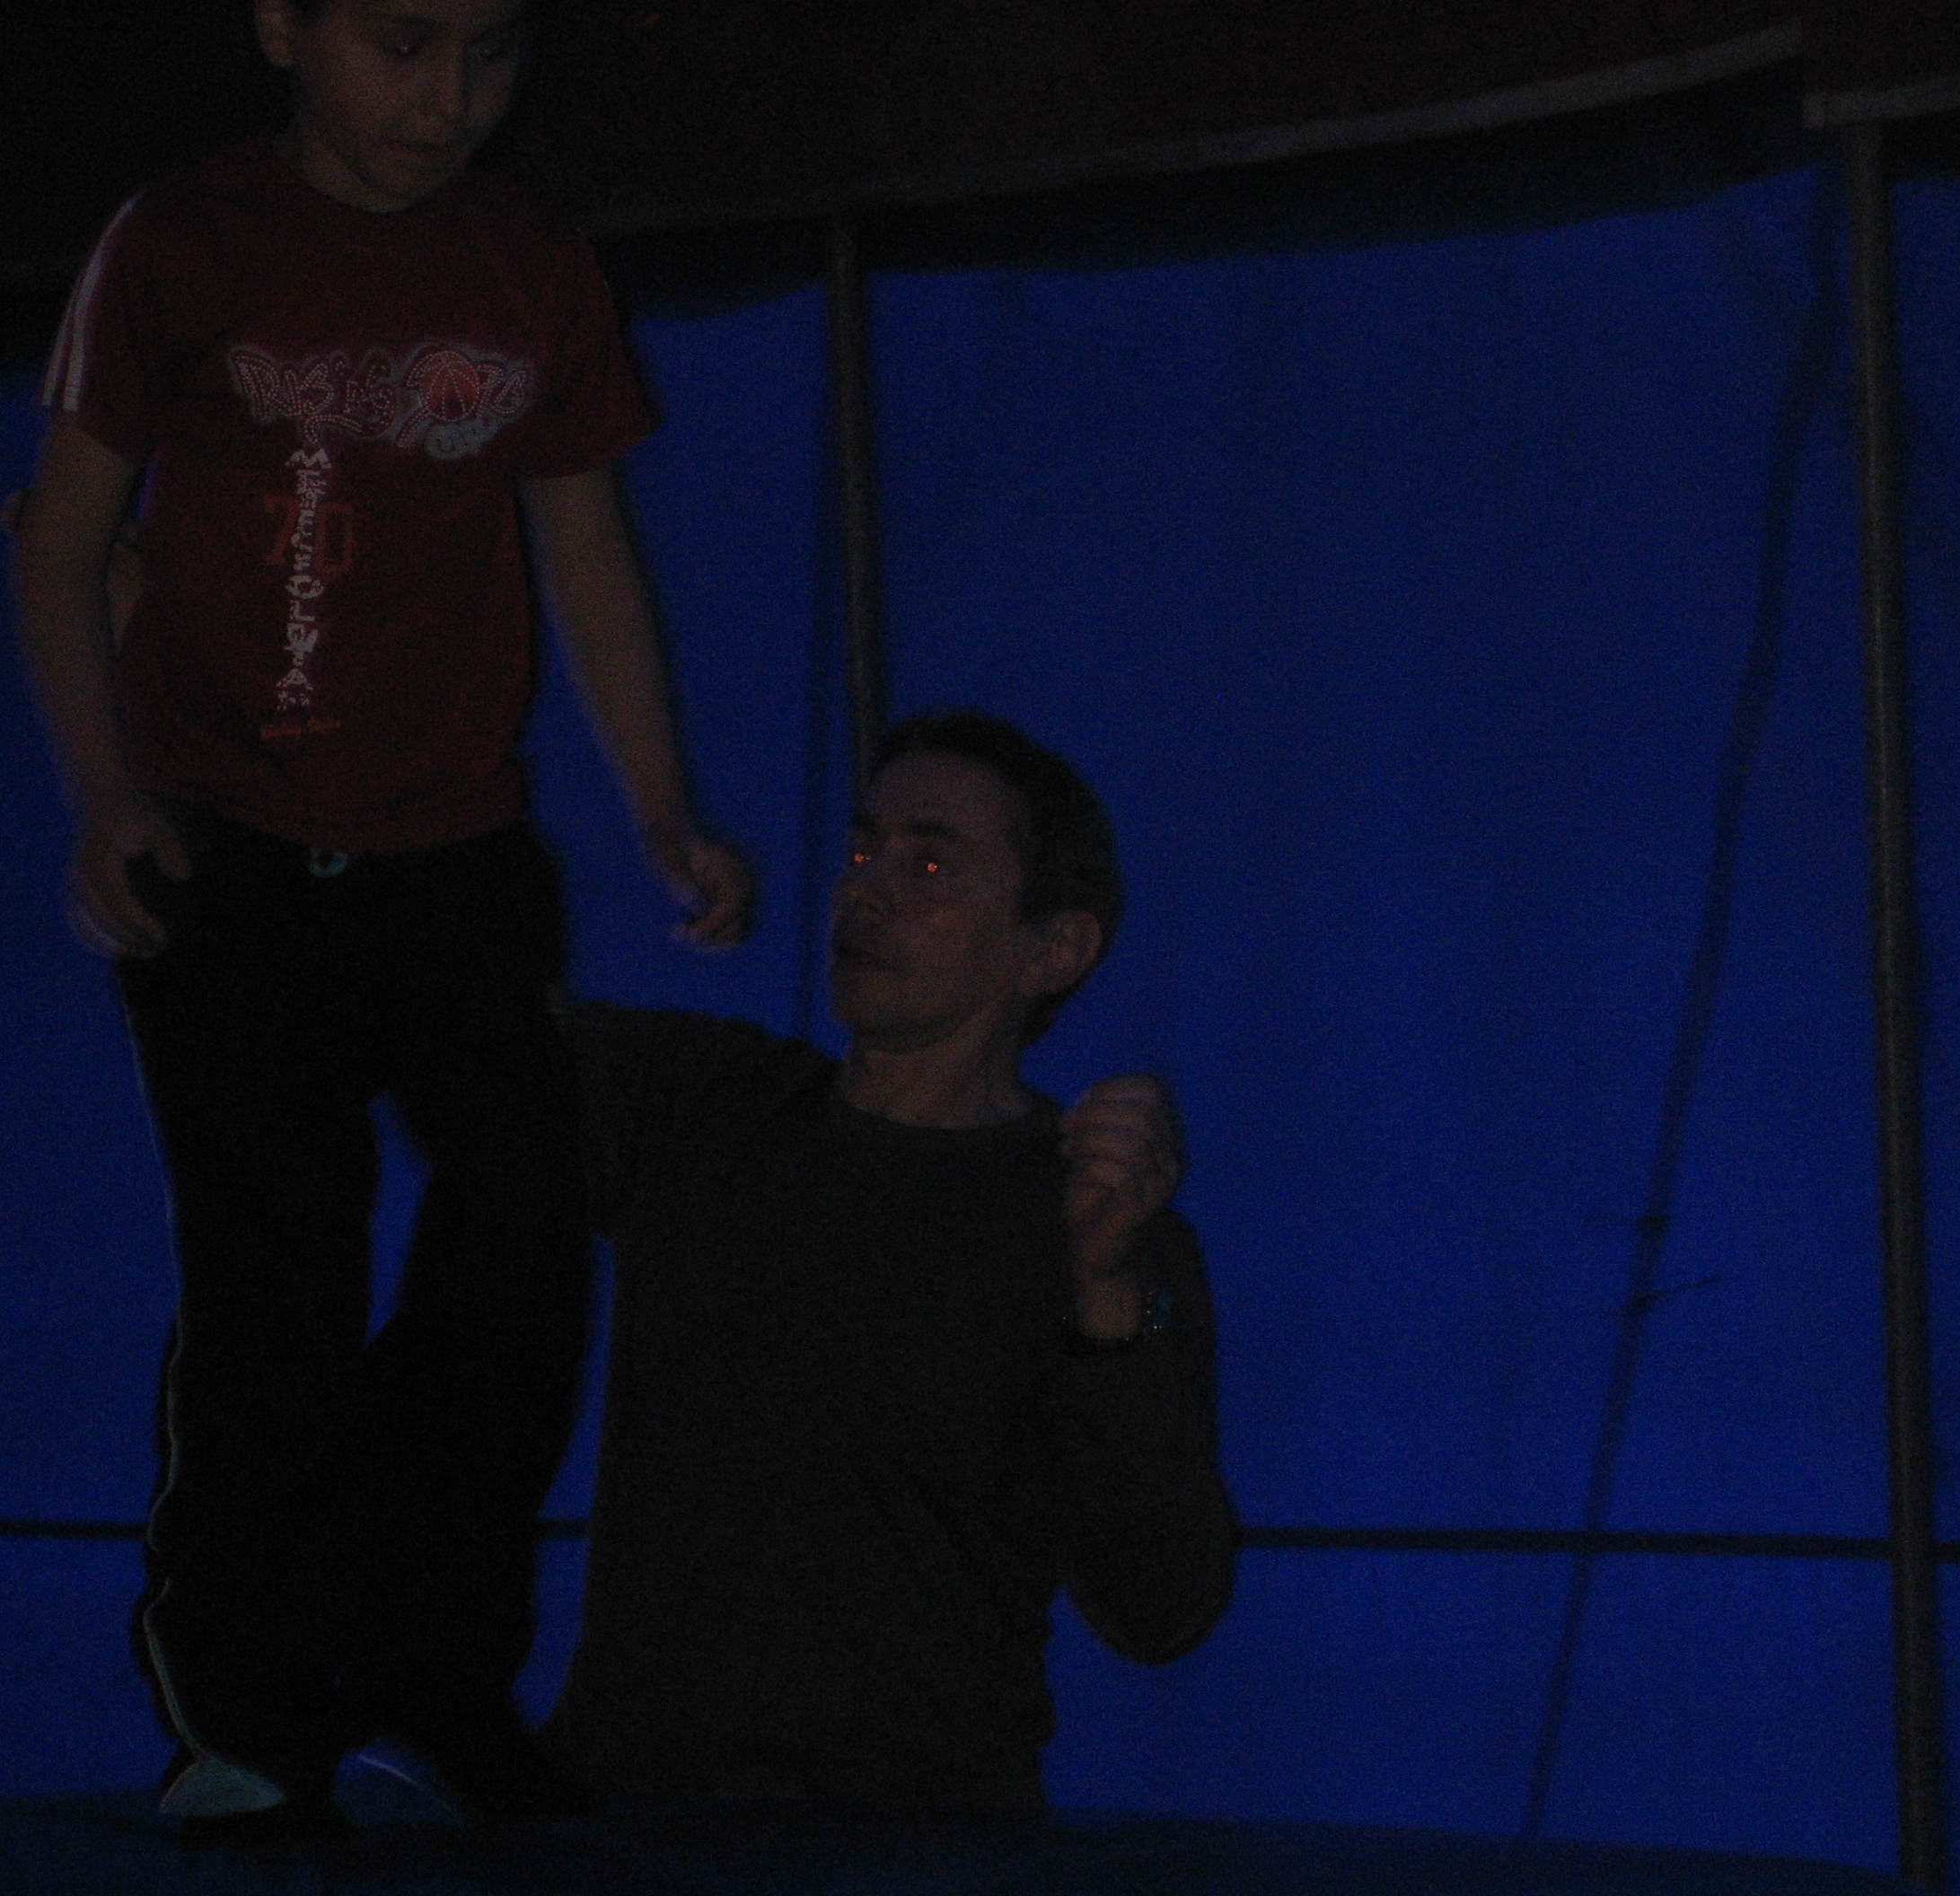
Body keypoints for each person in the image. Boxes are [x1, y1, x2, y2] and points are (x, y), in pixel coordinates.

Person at [7, 0, 750, 1844]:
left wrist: (664, 810)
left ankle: (427, 1665)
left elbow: (586, 543)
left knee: (521, 1237)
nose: (448, 99)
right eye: (402, 46)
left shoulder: (528, 262)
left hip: (452, 845)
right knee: (280, 1273)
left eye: (491, 55)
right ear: (283, 25)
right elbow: (63, 536)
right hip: (230, 841)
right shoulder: (184, 241)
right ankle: (251, 1717)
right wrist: (107, 798)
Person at [541, 710, 1236, 1811]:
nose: (865, 892)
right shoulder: (700, 1107)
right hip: (626, 1819)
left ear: (1051, 950)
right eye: (863, 852)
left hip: (918, 1842)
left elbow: (1160, 1607)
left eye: (930, 865)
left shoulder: (1089, 1222)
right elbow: (450, 1034)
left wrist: (1109, 1297)